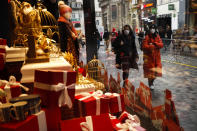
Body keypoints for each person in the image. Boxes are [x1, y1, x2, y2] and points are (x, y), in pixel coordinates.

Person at [142, 24, 163, 90]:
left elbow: (161, 45)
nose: (152, 29)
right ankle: (150, 84)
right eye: (151, 28)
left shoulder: (157, 36)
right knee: (150, 72)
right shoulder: (147, 37)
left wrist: (154, 44)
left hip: (157, 58)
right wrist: (152, 46)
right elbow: (144, 46)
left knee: (156, 73)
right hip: (149, 58)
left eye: (153, 28)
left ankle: (151, 83)